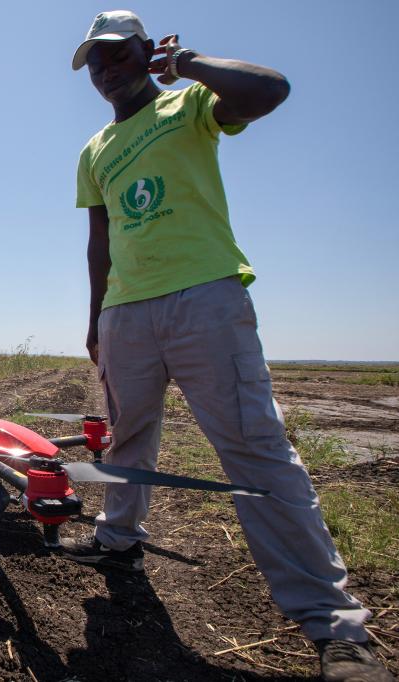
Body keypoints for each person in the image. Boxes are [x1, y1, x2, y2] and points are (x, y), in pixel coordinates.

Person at [66, 11, 393, 681]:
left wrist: (185, 63)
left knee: (253, 448)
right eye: (94, 62)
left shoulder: (190, 104)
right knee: (126, 440)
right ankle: (117, 540)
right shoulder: (94, 149)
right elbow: (99, 240)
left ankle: (334, 627)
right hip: (126, 313)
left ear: (145, 50)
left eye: (117, 54)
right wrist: (97, 318)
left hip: (204, 299)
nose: (105, 70)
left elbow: (269, 89)